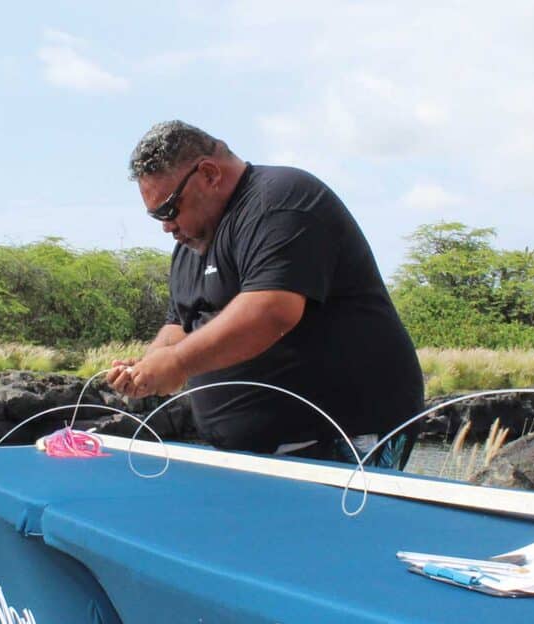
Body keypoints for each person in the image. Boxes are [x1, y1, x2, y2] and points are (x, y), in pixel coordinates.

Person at [108, 120, 424, 469]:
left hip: (342, 435)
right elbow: (179, 325)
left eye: (169, 209)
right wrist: (148, 367)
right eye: (156, 216)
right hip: (254, 450)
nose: (166, 225)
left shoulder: (280, 202)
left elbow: (271, 310)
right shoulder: (189, 245)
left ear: (210, 174)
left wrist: (178, 363)